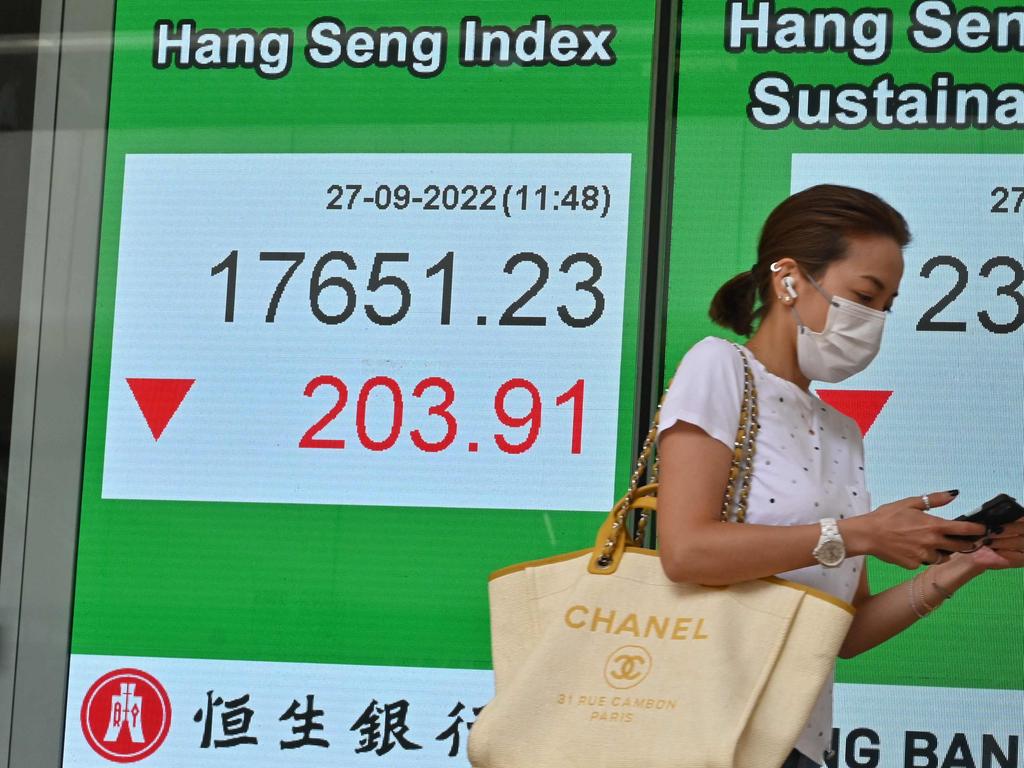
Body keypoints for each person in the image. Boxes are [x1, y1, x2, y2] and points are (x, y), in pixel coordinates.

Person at [654, 184, 1024, 768]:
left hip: (797, 740)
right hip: (699, 731)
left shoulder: (841, 431)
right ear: (789, 280)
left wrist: (966, 562)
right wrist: (859, 534)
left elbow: (844, 634)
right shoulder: (718, 366)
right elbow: (686, 551)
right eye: (864, 295)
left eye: (887, 306)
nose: (874, 321)